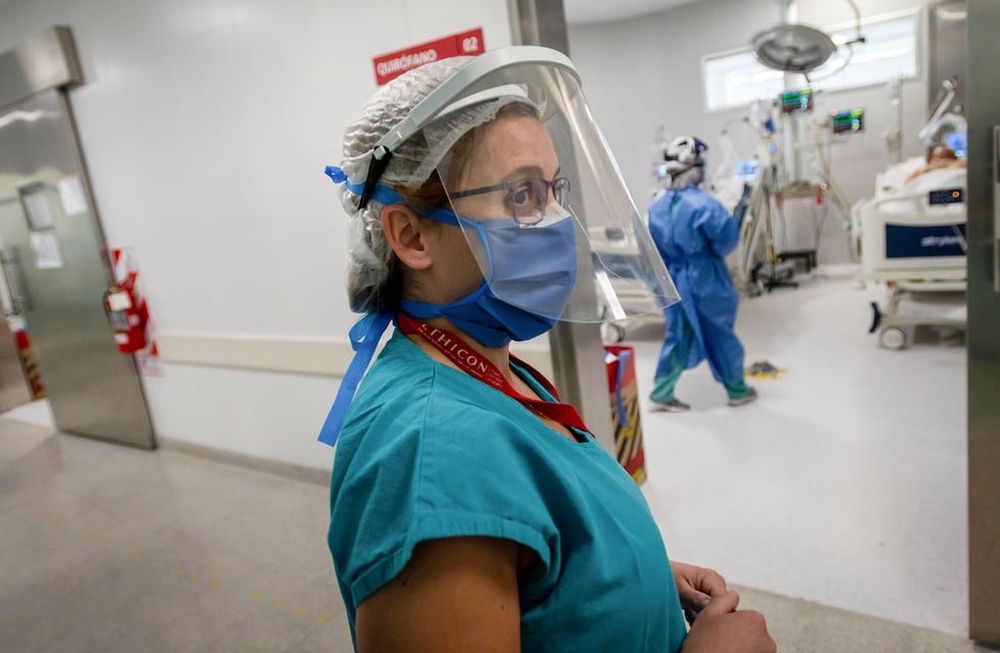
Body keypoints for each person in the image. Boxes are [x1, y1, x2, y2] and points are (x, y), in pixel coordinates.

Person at [319, 50, 775, 653]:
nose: (559, 221)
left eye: (554, 190)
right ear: (411, 235)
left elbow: (539, 556)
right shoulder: (432, 459)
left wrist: (627, 582)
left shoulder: (488, 370)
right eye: (522, 196)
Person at [647, 136, 757, 412]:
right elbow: (725, 242)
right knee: (719, 332)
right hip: (704, 277)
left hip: (672, 278)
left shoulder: (657, 206)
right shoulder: (705, 205)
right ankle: (737, 389)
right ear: (696, 169)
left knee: (678, 332)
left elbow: (651, 246)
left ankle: (661, 391)